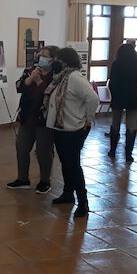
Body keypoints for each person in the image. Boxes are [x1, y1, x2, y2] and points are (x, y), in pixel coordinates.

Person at [44, 47, 99, 218]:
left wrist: (88, 119)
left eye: (58, 60)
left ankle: (83, 202)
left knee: (73, 165)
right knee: (66, 163)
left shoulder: (74, 78)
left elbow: (93, 98)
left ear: (65, 62)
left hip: (73, 129)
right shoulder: (61, 78)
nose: (55, 63)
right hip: (60, 128)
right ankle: (68, 193)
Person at [7, 45, 59, 194]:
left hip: (44, 119)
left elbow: (50, 93)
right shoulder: (30, 71)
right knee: (21, 147)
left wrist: (38, 82)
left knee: (43, 152)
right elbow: (19, 86)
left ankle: (45, 181)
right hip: (27, 117)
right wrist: (31, 79)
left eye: (45, 56)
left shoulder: (56, 75)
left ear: (52, 59)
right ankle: (23, 179)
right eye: (40, 55)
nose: (40, 58)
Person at [108, 43, 137, 162]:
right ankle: (128, 154)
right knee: (131, 126)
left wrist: (115, 94)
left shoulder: (116, 63)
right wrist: (134, 90)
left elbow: (112, 82)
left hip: (119, 97)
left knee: (115, 124)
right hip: (133, 97)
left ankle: (113, 150)